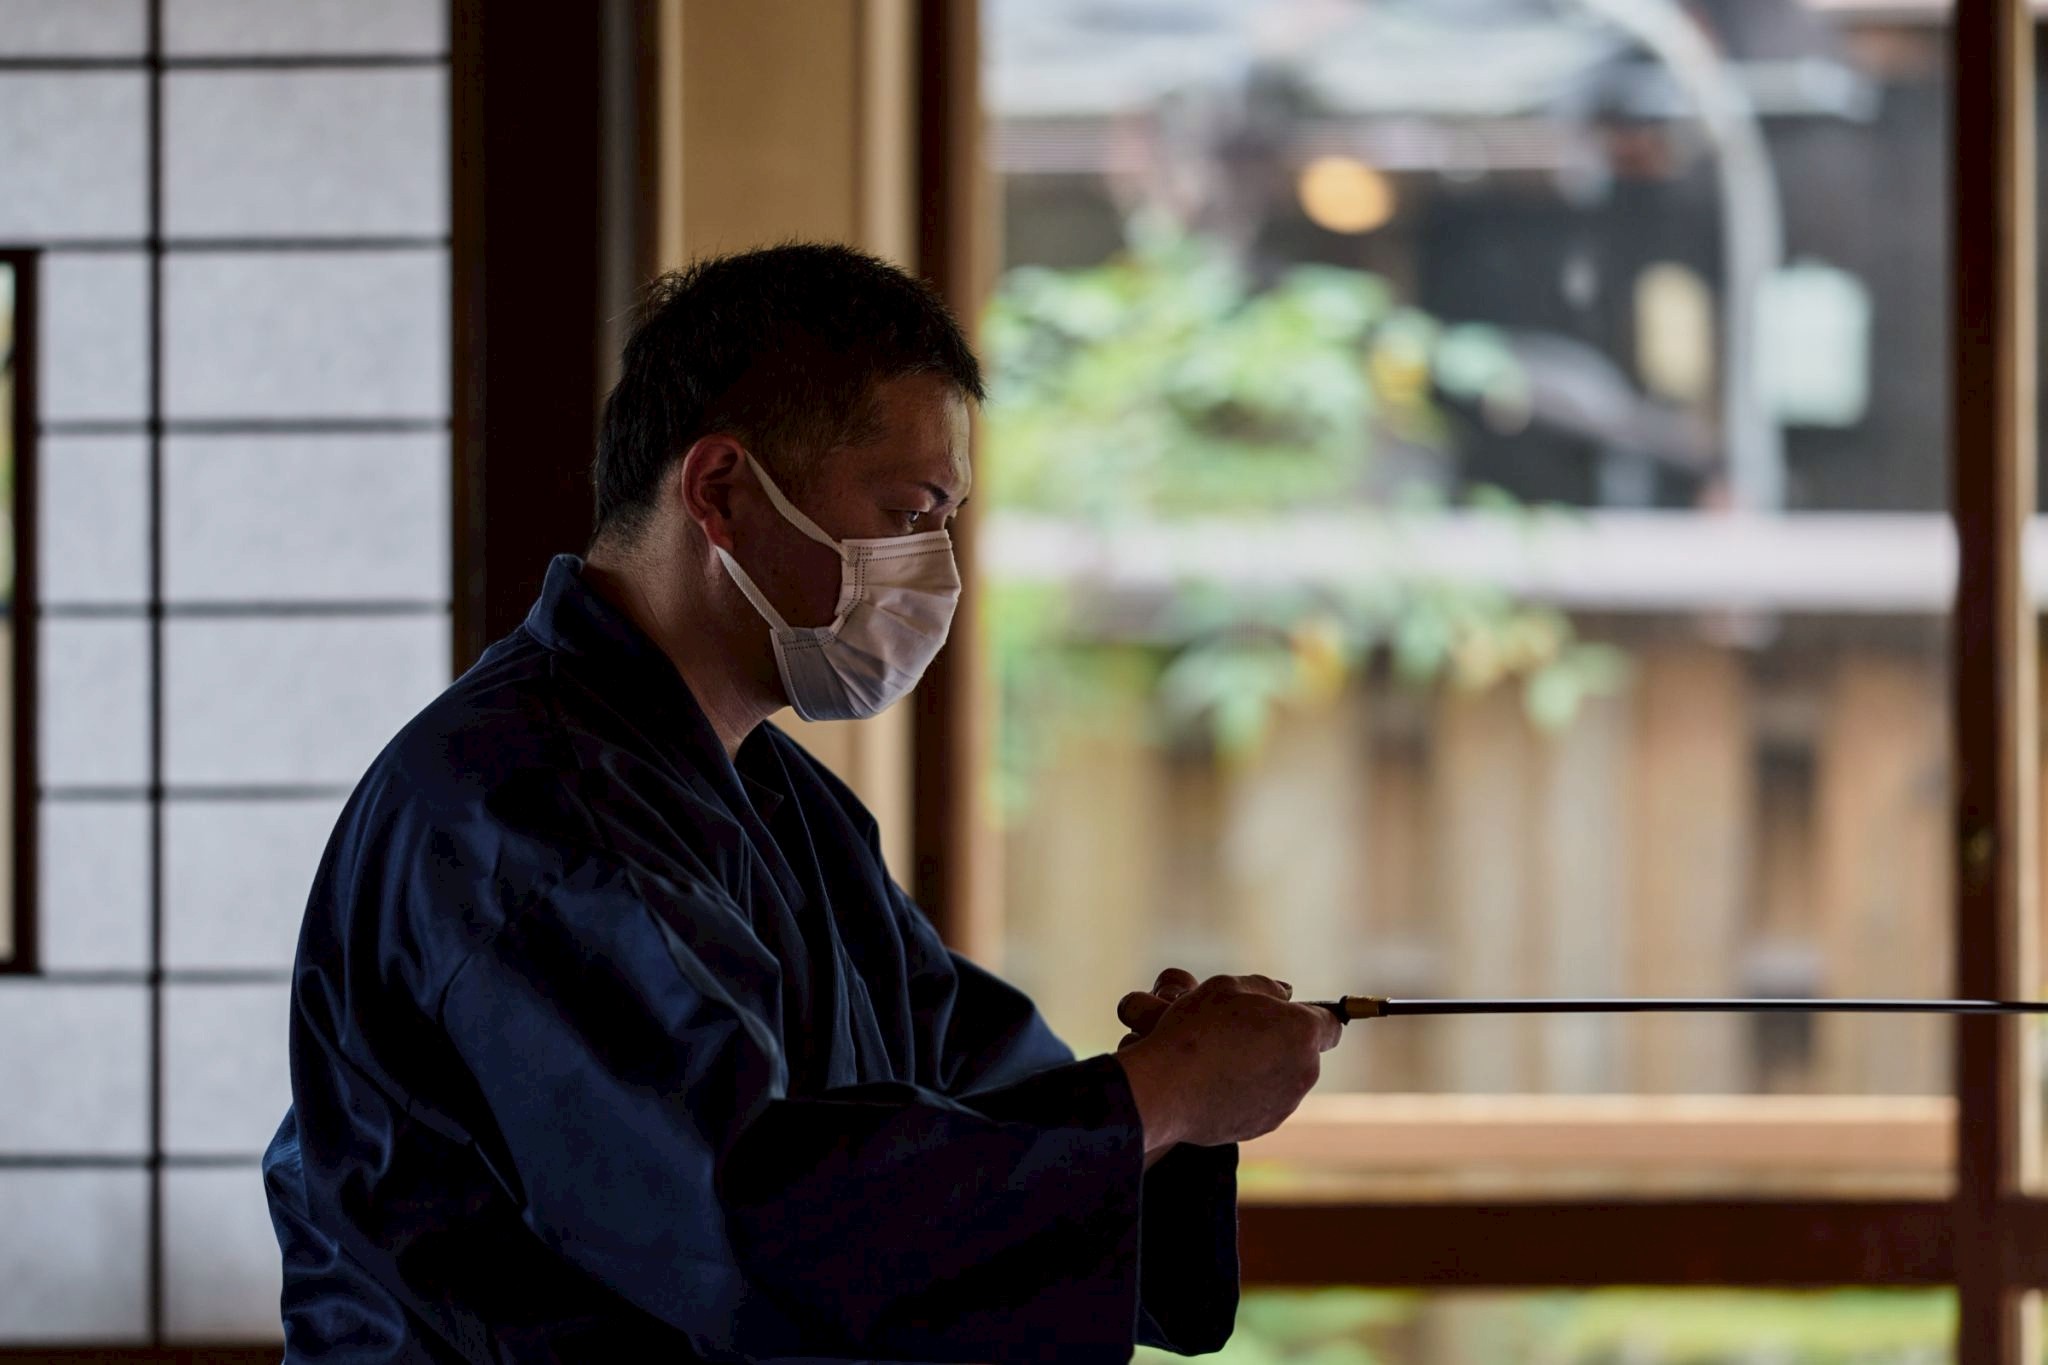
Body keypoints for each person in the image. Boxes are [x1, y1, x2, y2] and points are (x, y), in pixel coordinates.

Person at [260, 242, 1343, 1364]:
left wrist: (1169, 1094)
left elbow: (963, 1090)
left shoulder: (781, 804)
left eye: (947, 520)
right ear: (721, 492)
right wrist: (1153, 1098)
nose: (935, 568)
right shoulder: (526, 810)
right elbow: (739, 1209)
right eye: (911, 510)